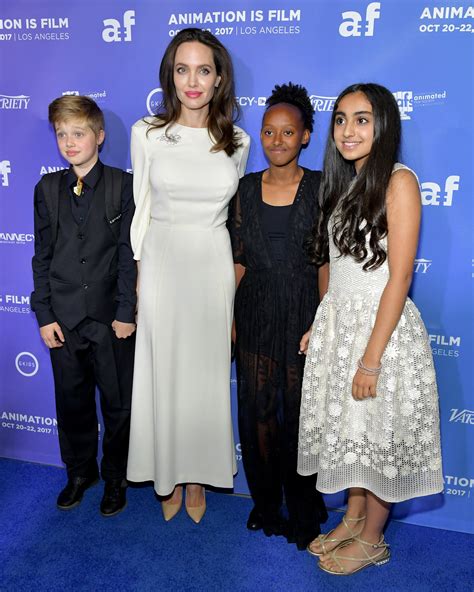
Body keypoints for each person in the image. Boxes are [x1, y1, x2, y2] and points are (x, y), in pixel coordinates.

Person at [297, 83, 443, 574]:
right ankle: (354, 518)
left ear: (384, 125)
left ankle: (375, 537)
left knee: (378, 434)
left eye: (362, 119)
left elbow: (399, 276)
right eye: (341, 119)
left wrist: (370, 359)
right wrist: (323, 325)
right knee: (352, 430)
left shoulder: (399, 181)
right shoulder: (342, 184)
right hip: (342, 326)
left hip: (382, 331)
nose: (348, 129)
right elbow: (333, 265)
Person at [127, 28, 250, 524]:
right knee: (162, 371)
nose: (192, 81)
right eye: (183, 70)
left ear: (219, 78)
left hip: (211, 263)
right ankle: (166, 472)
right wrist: (138, 278)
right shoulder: (146, 133)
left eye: (203, 70)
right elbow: (142, 208)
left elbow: (235, 213)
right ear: (170, 75)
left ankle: (197, 475)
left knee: (204, 374)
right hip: (161, 260)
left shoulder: (237, 141)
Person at [227, 83, 327, 549]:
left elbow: (326, 262)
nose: (278, 140)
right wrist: (227, 315)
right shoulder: (244, 189)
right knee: (258, 413)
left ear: (305, 135)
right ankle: (265, 504)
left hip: (306, 311)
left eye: (289, 132)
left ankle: (305, 508)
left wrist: (323, 319)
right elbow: (239, 259)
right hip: (255, 311)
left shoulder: (323, 187)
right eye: (269, 132)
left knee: (302, 416)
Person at [31, 95, 137, 516]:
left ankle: (115, 476)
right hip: (64, 319)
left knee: (117, 404)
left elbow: (130, 255)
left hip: (110, 320)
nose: (70, 142)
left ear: (99, 135)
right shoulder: (47, 188)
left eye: (79, 133)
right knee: (70, 401)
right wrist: (44, 314)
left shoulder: (120, 186)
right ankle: (80, 472)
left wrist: (126, 311)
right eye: (62, 134)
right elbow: (41, 255)